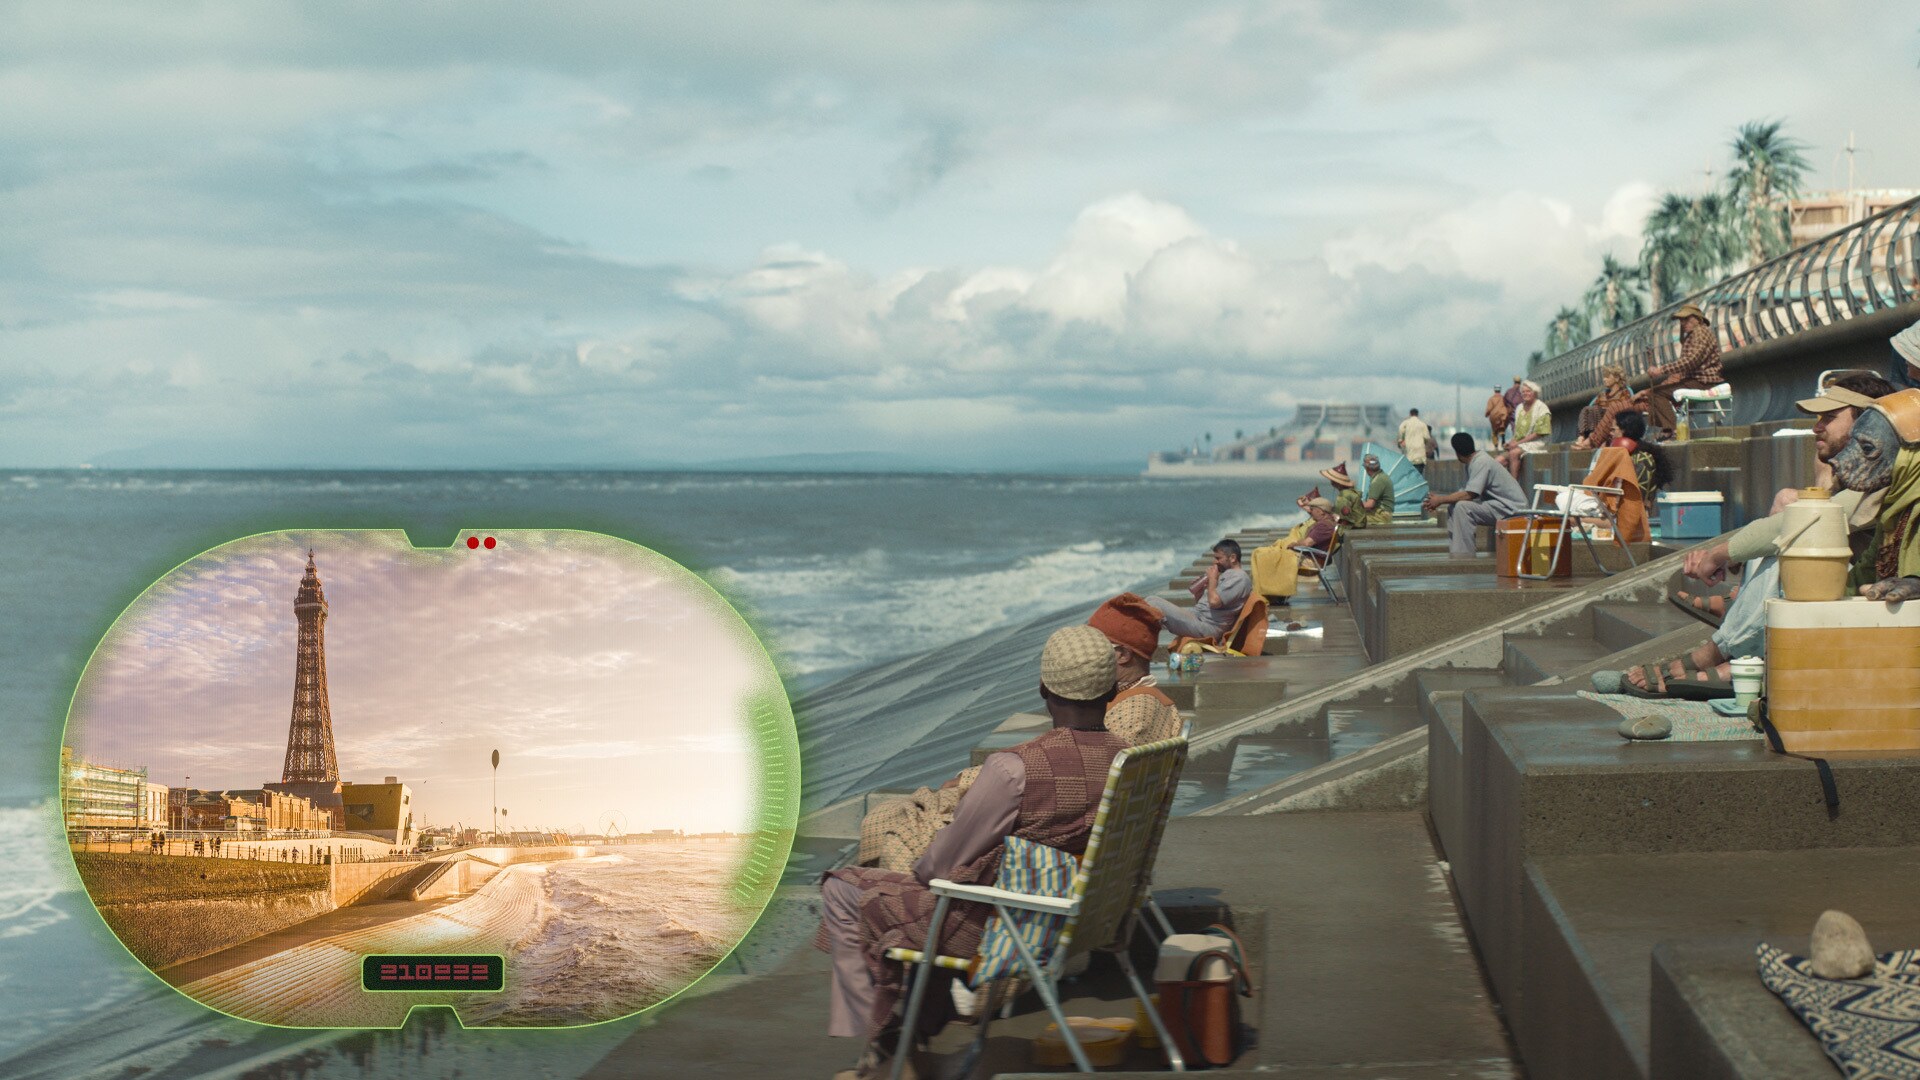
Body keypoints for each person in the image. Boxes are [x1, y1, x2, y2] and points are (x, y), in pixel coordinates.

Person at [818, 626, 1126, 1080]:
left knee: (844, 889)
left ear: (1043, 690)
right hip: (1072, 917)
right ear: (1113, 690)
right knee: (931, 899)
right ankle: (906, 1038)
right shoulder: (1128, 758)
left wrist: (926, 857)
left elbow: (939, 868)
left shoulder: (1014, 769)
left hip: (997, 930)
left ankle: (881, 1053)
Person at [856, 597, 1179, 873]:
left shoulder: (1135, 712)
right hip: (1083, 846)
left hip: (1045, 849)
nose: (1085, 658)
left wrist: (974, 781)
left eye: (1096, 651)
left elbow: (1077, 775)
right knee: (905, 812)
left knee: (889, 820)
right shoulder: (1146, 705)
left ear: (1121, 656)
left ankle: (893, 910)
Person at [1620, 371, 1895, 693]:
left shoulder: (1885, 473)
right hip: (1853, 579)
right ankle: (1738, 625)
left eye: (1829, 418)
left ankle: (1722, 654)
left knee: (1797, 545)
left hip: (1879, 591)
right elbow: (1814, 510)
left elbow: (1817, 519)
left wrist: (1719, 553)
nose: (1816, 427)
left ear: (1868, 425)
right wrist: (1828, 465)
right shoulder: (1856, 467)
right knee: (1787, 508)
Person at [1423, 432, 1527, 557]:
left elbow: (1470, 494)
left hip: (1512, 509)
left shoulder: (1481, 461)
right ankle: (1457, 550)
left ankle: (1464, 555)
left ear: (1457, 452)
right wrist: (1439, 500)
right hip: (1498, 506)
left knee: (1462, 507)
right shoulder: (1473, 462)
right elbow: (1464, 491)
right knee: (1453, 506)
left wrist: (1440, 499)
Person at [1637, 303, 1723, 438]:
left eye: (1686, 319)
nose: (1683, 323)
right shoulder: (1695, 334)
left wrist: (1661, 370)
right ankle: (1668, 429)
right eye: (1681, 320)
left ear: (1697, 319)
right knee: (1657, 393)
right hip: (1695, 380)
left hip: (1701, 381)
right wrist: (1684, 333)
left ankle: (1671, 430)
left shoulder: (1700, 333)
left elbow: (1691, 361)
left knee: (1656, 393)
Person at [1146, 539, 1252, 641]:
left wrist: (1213, 579)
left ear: (1233, 558)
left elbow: (1214, 602)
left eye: (1218, 558)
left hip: (1208, 627)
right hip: (1199, 618)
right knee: (1151, 602)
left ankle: (1138, 645)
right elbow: (1209, 607)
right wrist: (1199, 593)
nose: (1215, 562)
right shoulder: (1229, 575)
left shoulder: (1239, 578)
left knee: (1154, 603)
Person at [1496, 381, 1553, 479]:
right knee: (1498, 461)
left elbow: (1539, 433)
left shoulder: (1542, 408)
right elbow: (1518, 432)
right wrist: (1511, 442)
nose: (1525, 394)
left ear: (1534, 392)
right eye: (1523, 392)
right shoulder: (1519, 408)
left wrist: (1517, 443)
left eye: (1528, 391)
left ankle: (1514, 485)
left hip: (1538, 443)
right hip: (1521, 443)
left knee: (1514, 453)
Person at [1574, 365, 1634, 450]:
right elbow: (1591, 409)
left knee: (1599, 411)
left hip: (1612, 423)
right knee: (1587, 409)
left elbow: (1624, 409)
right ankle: (1581, 437)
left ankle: (1592, 441)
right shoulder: (1602, 395)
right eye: (1604, 377)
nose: (1604, 379)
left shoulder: (1625, 393)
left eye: (1607, 377)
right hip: (1598, 425)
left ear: (1616, 378)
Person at [1359, 454, 1395, 525]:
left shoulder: (1377, 480)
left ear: (1367, 468)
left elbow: (1370, 504)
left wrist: (1354, 505)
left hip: (1382, 516)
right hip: (1383, 514)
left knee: (1352, 519)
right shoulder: (1382, 476)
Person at [1398, 409, 1434, 475]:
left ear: (1410, 414)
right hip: (1420, 456)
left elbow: (1400, 432)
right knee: (1419, 474)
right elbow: (1427, 437)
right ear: (1417, 414)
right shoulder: (1422, 424)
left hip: (1409, 455)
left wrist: (1400, 441)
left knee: (1410, 475)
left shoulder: (1405, 424)